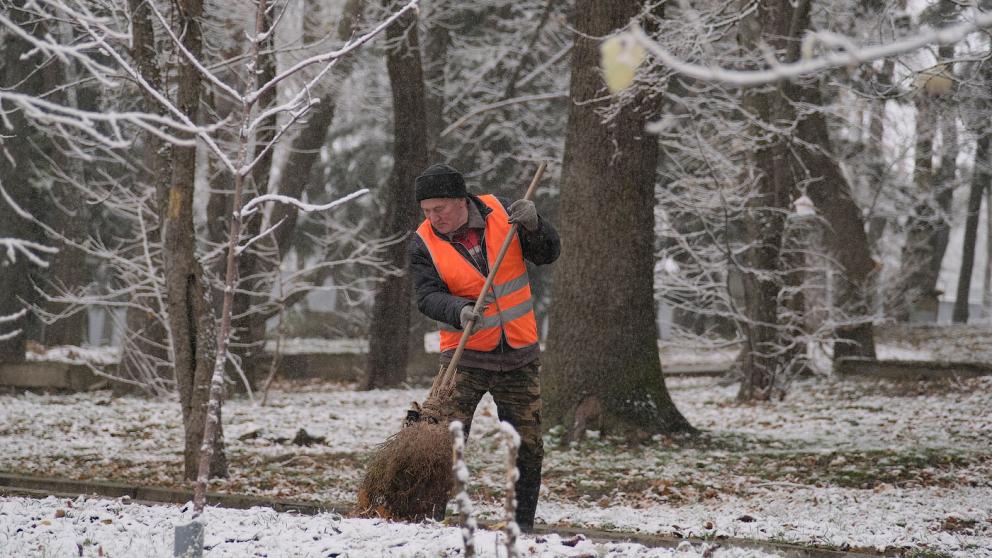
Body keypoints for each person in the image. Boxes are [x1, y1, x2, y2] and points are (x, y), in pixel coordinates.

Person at [409, 162, 560, 532]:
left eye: (439, 209)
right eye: (426, 211)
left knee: (527, 444)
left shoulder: (504, 213)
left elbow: (547, 253)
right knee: (442, 442)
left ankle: (520, 525)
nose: (433, 218)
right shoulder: (423, 241)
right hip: (464, 356)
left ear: (461, 200)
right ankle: (431, 521)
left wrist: (535, 224)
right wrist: (457, 309)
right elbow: (426, 296)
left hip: (518, 353)